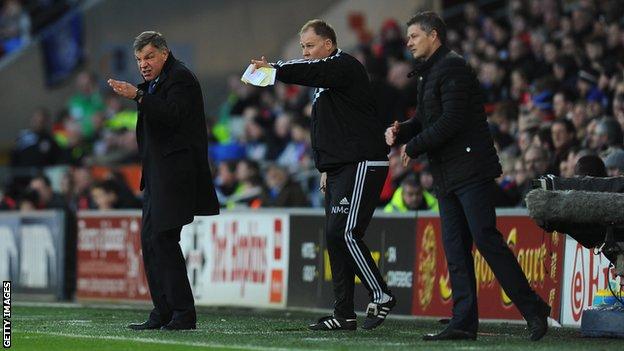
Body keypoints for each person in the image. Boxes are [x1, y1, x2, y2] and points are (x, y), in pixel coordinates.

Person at [385, 12, 550, 341]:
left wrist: (415, 145)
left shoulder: (453, 68)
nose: (409, 42)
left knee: (485, 239)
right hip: (447, 174)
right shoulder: (429, 74)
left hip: (471, 170)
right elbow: (426, 117)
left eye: (415, 36)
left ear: (434, 36)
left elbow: (452, 121)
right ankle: (463, 322)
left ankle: (533, 309)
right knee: (456, 248)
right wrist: (404, 130)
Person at [251, 19, 395, 331]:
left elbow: (310, 71)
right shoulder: (327, 78)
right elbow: (327, 128)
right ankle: (344, 314)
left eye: (309, 46)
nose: (305, 53)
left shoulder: (344, 66)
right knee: (334, 236)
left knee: (345, 233)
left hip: (363, 162)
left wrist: (275, 68)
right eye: (302, 47)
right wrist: (327, 167)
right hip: (341, 167)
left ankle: (381, 294)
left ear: (328, 45)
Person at [108, 31, 219, 331]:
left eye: (149, 57)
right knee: (151, 241)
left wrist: (139, 96)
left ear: (164, 54)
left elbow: (173, 115)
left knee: (164, 240)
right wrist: (142, 94)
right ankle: (163, 311)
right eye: (139, 59)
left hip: (175, 175)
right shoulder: (157, 83)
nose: (143, 64)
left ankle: (183, 313)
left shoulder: (180, 77)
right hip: (158, 176)